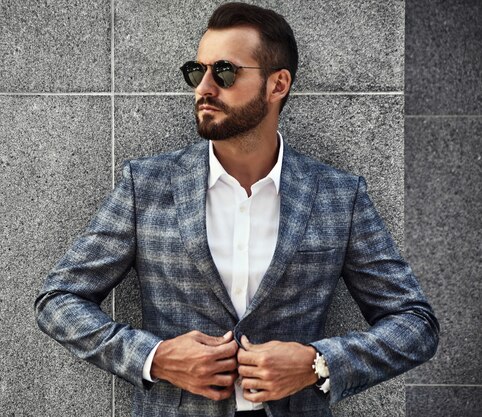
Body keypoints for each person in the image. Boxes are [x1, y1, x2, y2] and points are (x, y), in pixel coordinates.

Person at [34, 3, 439, 416]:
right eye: (197, 71)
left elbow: (415, 324)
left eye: (224, 72)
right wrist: (154, 357)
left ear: (277, 84)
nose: (204, 88)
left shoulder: (339, 196)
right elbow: (58, 300)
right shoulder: (147, 185)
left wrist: (318, 363)